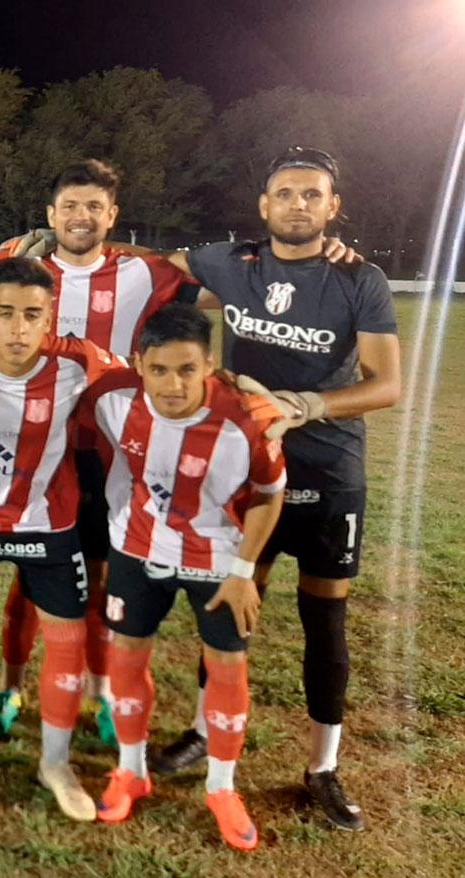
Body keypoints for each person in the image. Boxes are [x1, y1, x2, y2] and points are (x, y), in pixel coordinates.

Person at [0, 159, 200, 743]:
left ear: (112, 215)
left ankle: (99, 695)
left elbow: (218, 283)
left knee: (91, 582)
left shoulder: (142, 271)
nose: (81, 217)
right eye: (70, 206)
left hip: (105, 457)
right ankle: (10, 687)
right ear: (50, 214)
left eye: (94, 207)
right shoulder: (15, 263)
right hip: (28, 449)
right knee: (29, 582)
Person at [143, 148, 400, 832]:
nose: (297, 204)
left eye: (311, 194)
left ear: (332, 206)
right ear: (263, 204)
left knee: (325, 620)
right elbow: (154, 264)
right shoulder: (231, 262)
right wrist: (52, 245)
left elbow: (387, 383)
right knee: (229, 606)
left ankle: (322, 767)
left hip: (328, 471)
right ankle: (206, 730)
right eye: (285, 193)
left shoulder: (360, 277)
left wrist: (307, 406)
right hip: (247, 471)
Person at [0, 258, 124, 824]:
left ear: (49, 319)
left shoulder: (79, 366)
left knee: (67, 644)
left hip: (47, 522)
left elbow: (148, 381)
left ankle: (54, 763)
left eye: (31, 315)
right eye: (5, 313)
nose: (17, 327)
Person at [81, 303, 286, 851]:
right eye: (159, 370)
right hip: (136, 548)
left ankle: (221, 787)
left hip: (218, 560)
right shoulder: (110, 396)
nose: (173, 385)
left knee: (227, 666)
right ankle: (131, 770)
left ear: (211, 365)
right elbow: (60, 354)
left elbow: (269, 495)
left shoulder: (249, 418)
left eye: (187, 370)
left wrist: (244, 571)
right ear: (138, 364)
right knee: (127, 657)